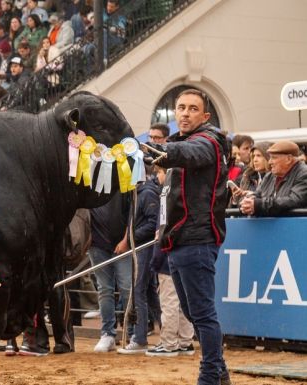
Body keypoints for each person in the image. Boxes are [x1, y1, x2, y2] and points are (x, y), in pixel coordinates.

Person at [146, 89, 232, 385]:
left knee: (203, 314)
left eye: (192, 109)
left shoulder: (207, 142)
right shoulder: (180, 144)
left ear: (205, 116)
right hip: (179, 240)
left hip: (197, 239)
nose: (184, 113)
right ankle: (220, 374)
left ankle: (209, 376)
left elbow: (190, 154)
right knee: (194, 312)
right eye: (180, 108)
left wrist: (162, 152)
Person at [147, 165, 195, 358]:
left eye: (158, 172)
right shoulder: (186, 194)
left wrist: (155, 261)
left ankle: (169, 343)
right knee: (183, 302)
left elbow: (162, 231)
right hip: (182, 254)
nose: (157, 176)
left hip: (169, 256)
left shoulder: (167, 196)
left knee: (169, 302)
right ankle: (185, 341)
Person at [117, 166, 159, 354]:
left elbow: (152, 224)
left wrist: (131, 239)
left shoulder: (147, 193)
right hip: (140, 248)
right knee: (148, 291)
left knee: (139, 290)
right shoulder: (138, 193)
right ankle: (167, 332)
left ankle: (140, 338)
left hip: (145, 248)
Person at [88, 192, 132, 353]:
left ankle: (132, 332)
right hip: (97, 246)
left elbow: (131, 215)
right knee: (104, 289)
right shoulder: (88, 182)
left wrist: (126, 240)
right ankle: (107, 333)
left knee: (127, 288)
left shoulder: (121, 181)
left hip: (122, 245)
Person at [239, 140, 307, 216]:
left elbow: (294, 200)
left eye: (274, 158)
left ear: (289, 159)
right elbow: (257, 195)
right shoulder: (269, 176)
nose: (269, 162)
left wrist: (259, 205)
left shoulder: (304, 173)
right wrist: (246, 203)